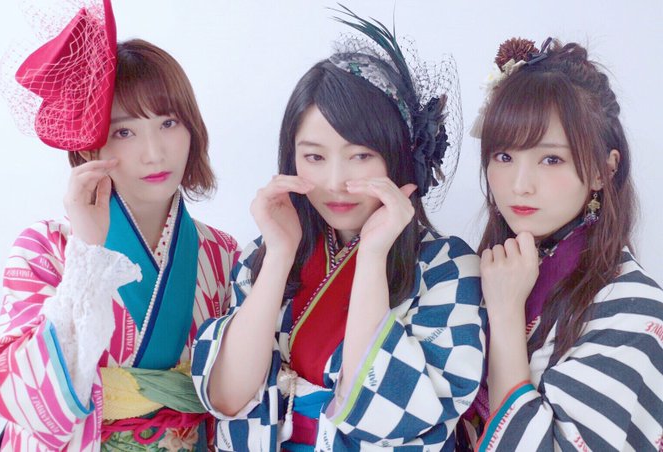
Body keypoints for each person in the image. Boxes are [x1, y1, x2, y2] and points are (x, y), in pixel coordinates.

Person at [192, 8, 485, 451]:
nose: (334, 181)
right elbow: (228, 397)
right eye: (314, 157)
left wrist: (372, 256)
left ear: (398, 155)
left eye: (361, 156)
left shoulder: (447, 266)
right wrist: (279, 254)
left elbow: (388, 417)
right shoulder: (264, 254)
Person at [0, 1, 238, 450]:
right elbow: (12, 388)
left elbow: (234, 391)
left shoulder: (221, 253)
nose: (154, 153)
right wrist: (86, 249)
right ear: (90, 146)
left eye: (168, 122)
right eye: (124, 132)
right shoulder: (46, 246)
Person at [466, 37, 663, 451]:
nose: (520, 185)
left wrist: (506, 315)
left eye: (551, 159)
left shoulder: (634, 309)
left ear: (602, 170)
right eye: (504, 156)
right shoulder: (482, 272)